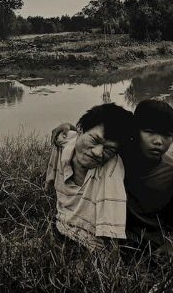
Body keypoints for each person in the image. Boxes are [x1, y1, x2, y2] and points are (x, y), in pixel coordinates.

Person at [45, 103, 133, 249]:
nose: (98, 152)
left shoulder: (110, 170)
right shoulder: (63, 144)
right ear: (79, 130)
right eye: (95, 140)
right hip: (60, 227)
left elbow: (111, 235)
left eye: (109, 149)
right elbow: (62, 138)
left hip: (92, 246)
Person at [122, 100, 173, 255]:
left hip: (154, 241)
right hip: (118, 235)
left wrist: (171, 244)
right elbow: (93, 137)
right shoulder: (118, 159)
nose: (158, 141)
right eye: (149, 132)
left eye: (167, 135)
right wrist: (68, 131)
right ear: (135, 131)